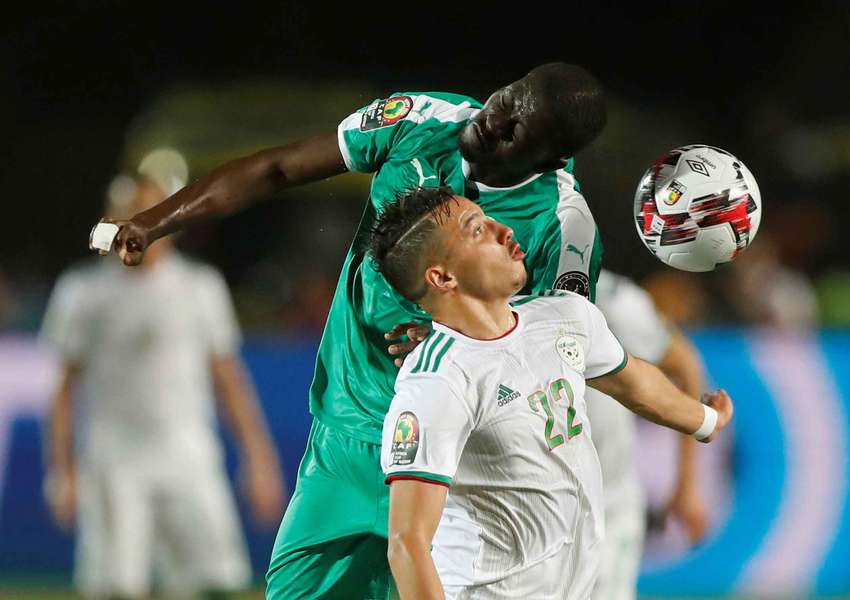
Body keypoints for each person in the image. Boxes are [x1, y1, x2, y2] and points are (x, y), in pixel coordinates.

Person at [99, 63, 608, 599]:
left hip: (455, 468)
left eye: (515, 129)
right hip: (345, 432)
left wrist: (466, 344)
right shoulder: (422, 118)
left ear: (551, 157)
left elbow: (557, 351)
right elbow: (278, 168)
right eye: (505, 97)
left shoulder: (564, 224)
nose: (494, 120)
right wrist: (156, 222)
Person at [368, 187, 733, 599]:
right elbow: (408, 543)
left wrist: (704, 419)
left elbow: (635, 384)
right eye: (477, 230)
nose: (504, 230)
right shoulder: (437, 384)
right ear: (442, 277)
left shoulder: (565, 315)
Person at [44, 175, 285, 599]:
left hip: (188, 454)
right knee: (116, 587)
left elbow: (229, 380)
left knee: (215, 583)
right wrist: (61, 470)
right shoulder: (82, 291)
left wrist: (259, 459)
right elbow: (63, 390)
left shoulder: (199, 287)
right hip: (112, 460)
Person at [586, 270, 710, 600]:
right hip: (529, 504)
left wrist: (687, 484)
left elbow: (685, 365)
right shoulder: (480, 299)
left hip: (607, 508)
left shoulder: (609, 298)